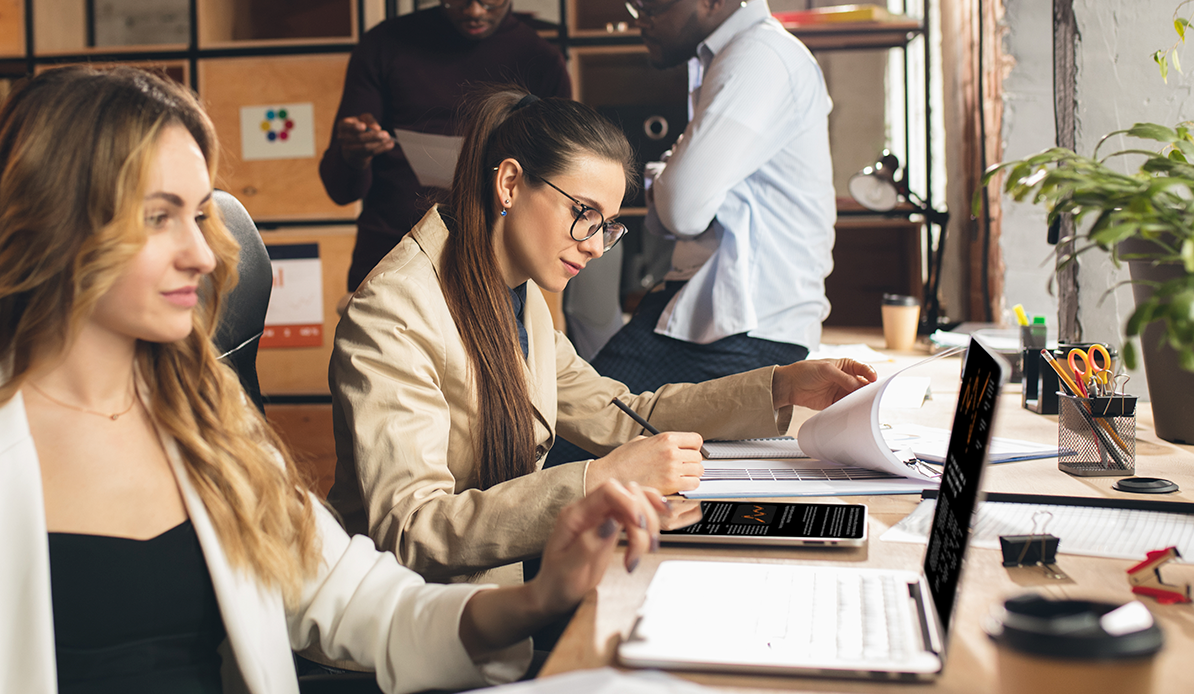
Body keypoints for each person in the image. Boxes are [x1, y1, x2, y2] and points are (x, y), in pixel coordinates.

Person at [0, 67, 665, 694]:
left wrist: (538, 597)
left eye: (199, 211)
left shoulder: (206, 414)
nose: (204, 248)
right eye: (161, 217)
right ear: (55, 226)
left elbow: (361, 605)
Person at [328, 87, 875, 587]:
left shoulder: (515, 295)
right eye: (583, 213)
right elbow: (411, 528)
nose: (594, 244)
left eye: (607, 224)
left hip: (495, 608)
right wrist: (598, 481)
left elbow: (623, 413)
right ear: (511, 184)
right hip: (411, 628)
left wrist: (781, 386)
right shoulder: (396, 311)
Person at [587, 0, 837, 394]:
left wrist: (666, 174)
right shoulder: (733, 55)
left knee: (561, 437)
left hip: (739, 327)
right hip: (721, 316)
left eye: (652, 6)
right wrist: (670, 175)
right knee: (573, 418)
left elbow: (681, 209)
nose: (641, 21)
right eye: (635, 7)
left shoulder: (758, 56)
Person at [319, 0, 571, 291]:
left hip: (494, 268)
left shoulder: (541, 60)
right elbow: (340, 190)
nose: (475, 11)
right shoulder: (385, 44)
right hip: (390, 257)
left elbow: (559, 181)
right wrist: (354, 154)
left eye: (491, 1)